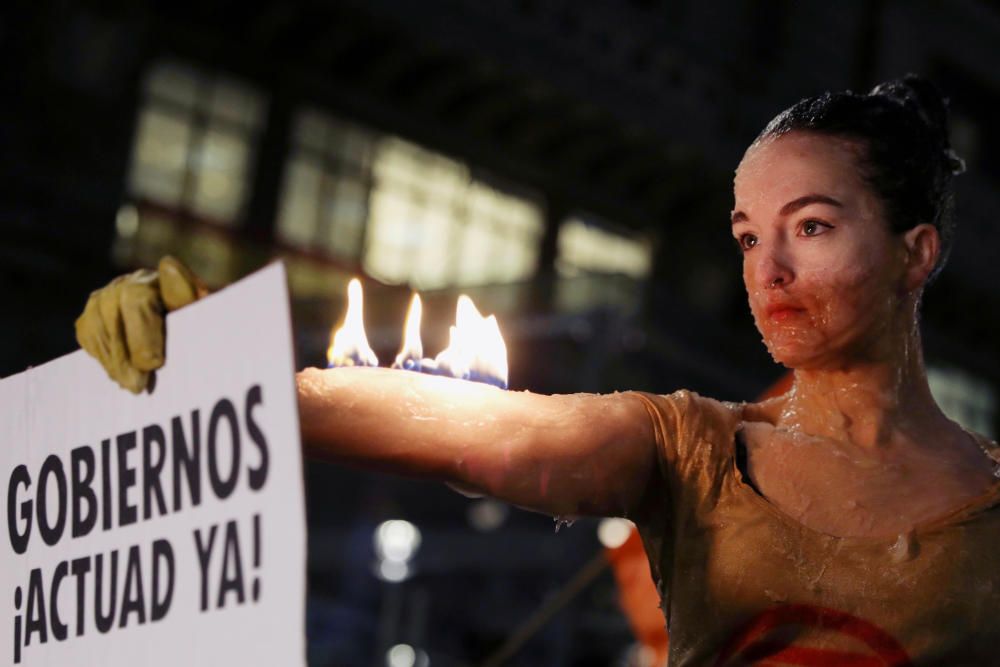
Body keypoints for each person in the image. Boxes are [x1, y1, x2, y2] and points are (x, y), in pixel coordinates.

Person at [76, 75, 1000, 665]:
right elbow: (477, 430)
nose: (768, 270)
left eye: (811, 227)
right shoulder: (692, 446)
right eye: (748, 236)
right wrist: (221, 369)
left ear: (916, 253)